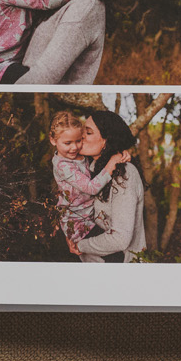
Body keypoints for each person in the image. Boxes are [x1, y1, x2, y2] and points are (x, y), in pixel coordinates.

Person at [67, 110, 145, 263]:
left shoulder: (124, 174)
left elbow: (120, 238)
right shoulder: (88, 169)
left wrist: (80, 245)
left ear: (106, 140)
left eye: (88, 133)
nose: (81, 136)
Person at [48, 111, 129, 244]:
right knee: (112, 253)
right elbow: (91, 188)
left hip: (90, 217)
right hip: (78, 224)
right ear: (53, 140)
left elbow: (102, 152)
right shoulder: (63, 165)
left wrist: (120, 152)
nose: (74, 147)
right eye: (68, 143)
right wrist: (112, 162)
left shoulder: (77, 154)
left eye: (78, 141)